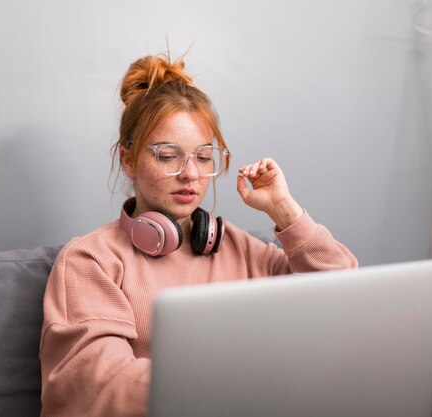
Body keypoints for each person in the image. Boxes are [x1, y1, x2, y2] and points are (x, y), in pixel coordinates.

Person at [39, 53, 358, 417]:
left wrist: (285, 211)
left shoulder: (242, 249)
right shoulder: (90, 259)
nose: (190, 174)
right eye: (168, 155)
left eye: (203, 157)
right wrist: (237, 385)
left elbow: (345, 305)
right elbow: (99, 384)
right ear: (129, 161)